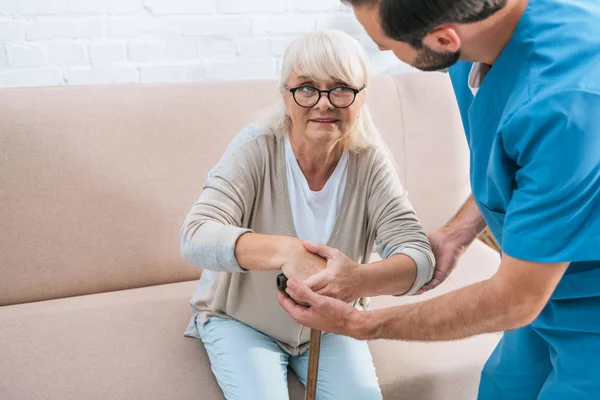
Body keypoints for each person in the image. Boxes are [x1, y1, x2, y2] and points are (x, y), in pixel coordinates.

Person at [278, 1, 600, 399]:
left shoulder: (568, 105)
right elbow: (522, 168)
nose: (383, 52)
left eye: (386, 44)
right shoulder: (478, 40)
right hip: (541, 295)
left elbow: (515, 300)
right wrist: (456, 234)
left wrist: (363, 325)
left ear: (444, 38)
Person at [180, 29, 434, 400]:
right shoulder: (256, 148)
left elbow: (419, 256)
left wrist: (358, 280)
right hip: (243, 322)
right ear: (285, 96)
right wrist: (288, 252)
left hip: (333, 324)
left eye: (341, 88)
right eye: (307, 87)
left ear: (361, 98)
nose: (324, 103)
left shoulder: (370, 162)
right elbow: (195, 236)